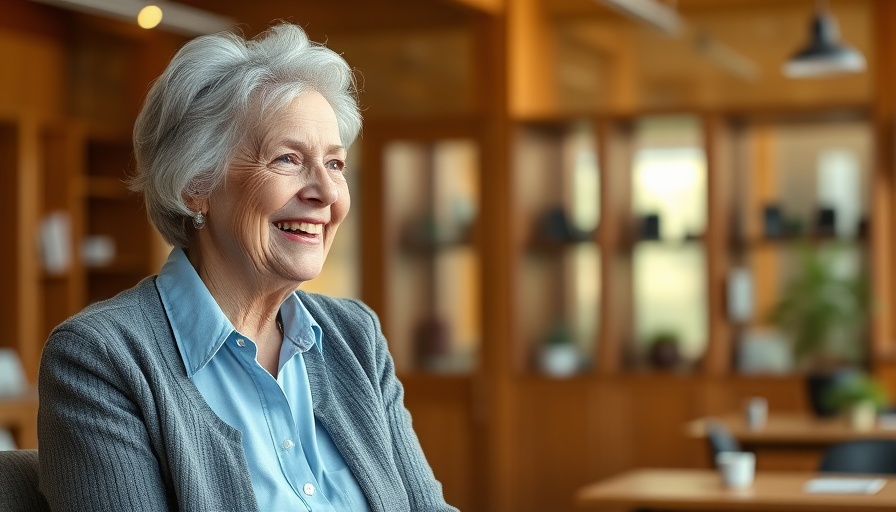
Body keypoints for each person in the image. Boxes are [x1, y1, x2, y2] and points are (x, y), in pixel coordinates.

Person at [38, 23, 457, 512]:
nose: (325, 193)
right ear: (196, 184)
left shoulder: (355, 337)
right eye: (287, 159)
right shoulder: (101, 359)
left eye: (336, 164)